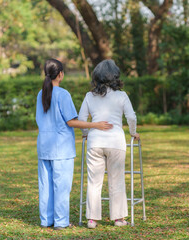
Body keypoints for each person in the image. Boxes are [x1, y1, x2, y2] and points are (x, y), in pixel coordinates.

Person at [36, 59, 113, 230]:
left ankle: (46, 220)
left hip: (44, 147)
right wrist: (96, 125)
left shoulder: (40, 94)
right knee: (61, 186)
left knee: (46, 185)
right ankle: (61, 222)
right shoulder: (63, 94)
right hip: (61, 149)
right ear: (61, 74)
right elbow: (71, 121)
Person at [78, 59, 140, 228]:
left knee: (94, 181)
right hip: (116, 142)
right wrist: (133, 132)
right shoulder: (122, 95)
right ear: (115, 76)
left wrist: (85, 134)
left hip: (95, 142)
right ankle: (119, 219)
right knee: (117, 180)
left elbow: (82, 119)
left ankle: (92, 219)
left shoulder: (89, 96)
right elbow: (131, 117)